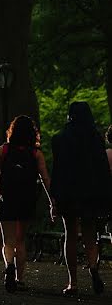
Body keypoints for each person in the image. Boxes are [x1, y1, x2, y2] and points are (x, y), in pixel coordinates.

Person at [51, 101, 112, 297]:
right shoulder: (95, 139)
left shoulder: (60, 139)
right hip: (91, 194)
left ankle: (73, 282)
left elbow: (57, 170)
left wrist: (54, 196)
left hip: (69, 193)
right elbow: (102, 169)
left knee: (70, 234)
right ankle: (93, 268)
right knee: (90, 233)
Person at [0, 115, 52, 293]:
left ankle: (9, 265)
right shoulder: (36, 154)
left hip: (7, 197)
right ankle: (20, 279)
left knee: (8, 240)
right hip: (27, 198)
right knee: (20, 240)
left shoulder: (3, 150)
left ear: (12, 131)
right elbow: (45, 178)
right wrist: (52, 201)